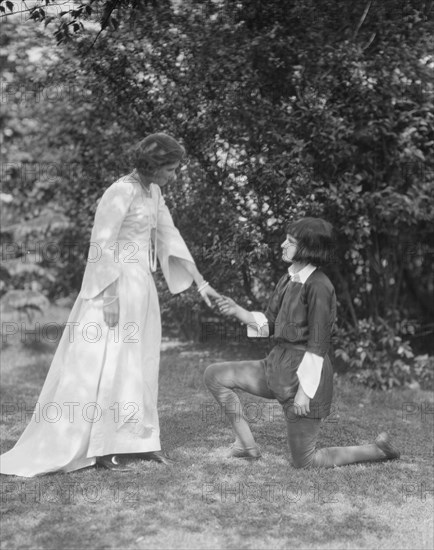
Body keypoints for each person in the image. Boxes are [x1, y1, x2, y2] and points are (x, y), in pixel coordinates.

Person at [0, 133, 219, 476]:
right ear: (153, 164)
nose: (173, 176)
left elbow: (168, 235)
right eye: (171, 169)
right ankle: (101, 446)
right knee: (109, 364)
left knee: (139, 364)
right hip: (113, 288)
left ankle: (140, 441)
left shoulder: (154, 192)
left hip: (142, 288)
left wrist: (202, 282)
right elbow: (102, 244)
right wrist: (110, 297)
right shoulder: (120, 192)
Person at [204, 217, 400, 467]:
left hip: (305, 378)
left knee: (305, 462)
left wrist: (304, 394)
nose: (283, 244)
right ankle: (245, 444)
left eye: (291, 241)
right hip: (277, 365)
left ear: (308, 248)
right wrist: (238, 311)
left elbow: (318, 344)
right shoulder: (288, 278)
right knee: (215, 375)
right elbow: (271, 324)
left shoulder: (319, 285)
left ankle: (378, 450)